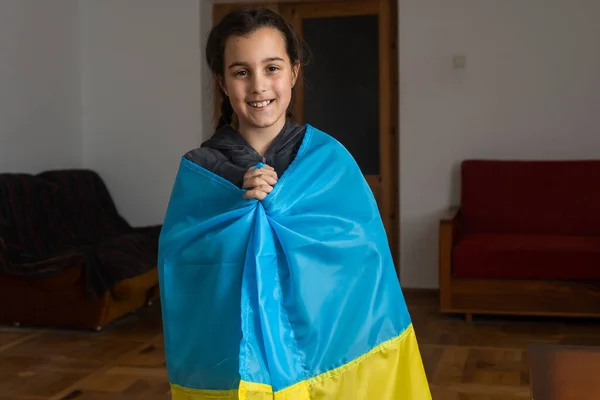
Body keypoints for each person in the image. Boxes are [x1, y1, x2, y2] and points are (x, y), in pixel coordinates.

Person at [158, 7, 431, 400]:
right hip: (233, 356)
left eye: (272, 68)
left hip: (323, 350)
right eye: (241, 71)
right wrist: (238, 206)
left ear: (294, 72)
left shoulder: (328, 159)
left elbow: (364, 259)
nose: (259, 86)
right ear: (222, 81)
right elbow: (182, 268)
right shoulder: (201, 171)